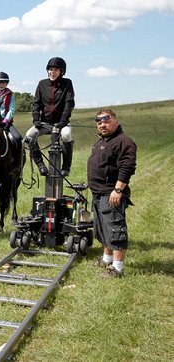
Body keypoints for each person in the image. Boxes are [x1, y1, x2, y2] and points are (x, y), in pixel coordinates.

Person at [87, 109, 137, 278]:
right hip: (98, 193)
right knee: (103, 228)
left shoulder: (124, 141)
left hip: (111, 193)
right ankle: (107, 259)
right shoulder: (102, 141)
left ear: (115, 121)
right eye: (99, 122)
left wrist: (117, 190)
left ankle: (117, 268)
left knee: (115, 229)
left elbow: (127, 167)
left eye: (106, 121)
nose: (102, 124)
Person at [24, 57, 75, 176]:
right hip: (44, 123)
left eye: (56, 70)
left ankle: (66, 167)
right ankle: (40, 164)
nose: (52, 72)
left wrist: (63, 122)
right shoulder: (42, 84)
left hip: (62, 123)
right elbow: (36, 103)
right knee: (29, 136)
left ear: (61, 72)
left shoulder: (67, 83)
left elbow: (69, 104)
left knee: (66, 135)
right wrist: (36, 119)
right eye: (50, 70)